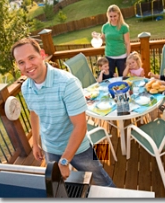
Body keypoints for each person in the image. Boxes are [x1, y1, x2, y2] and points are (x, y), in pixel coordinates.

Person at [11, 38, 116, 188]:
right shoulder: (26, 87)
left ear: (41, 54)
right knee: (58, 186)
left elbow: (80, 127)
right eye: (21, 62)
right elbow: (34, 114)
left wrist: (65, 160)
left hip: (80, 147)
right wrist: (35, 143)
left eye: (31, 57)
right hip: (50, 149)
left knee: (101, 180)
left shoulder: (68, 83)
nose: (27, 65)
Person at [92, 4, 130, 76]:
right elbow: (102, 39)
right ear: (108, 16)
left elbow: (127, 43)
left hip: (122, 57)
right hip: (109, 57)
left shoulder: (124, 27)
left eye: (115, 16)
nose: (113, 18)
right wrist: (96, 37)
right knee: (109, 77)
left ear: (119, 14)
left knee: (123, 77)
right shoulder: (105, 27)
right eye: (111, 16)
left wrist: (128, 57)